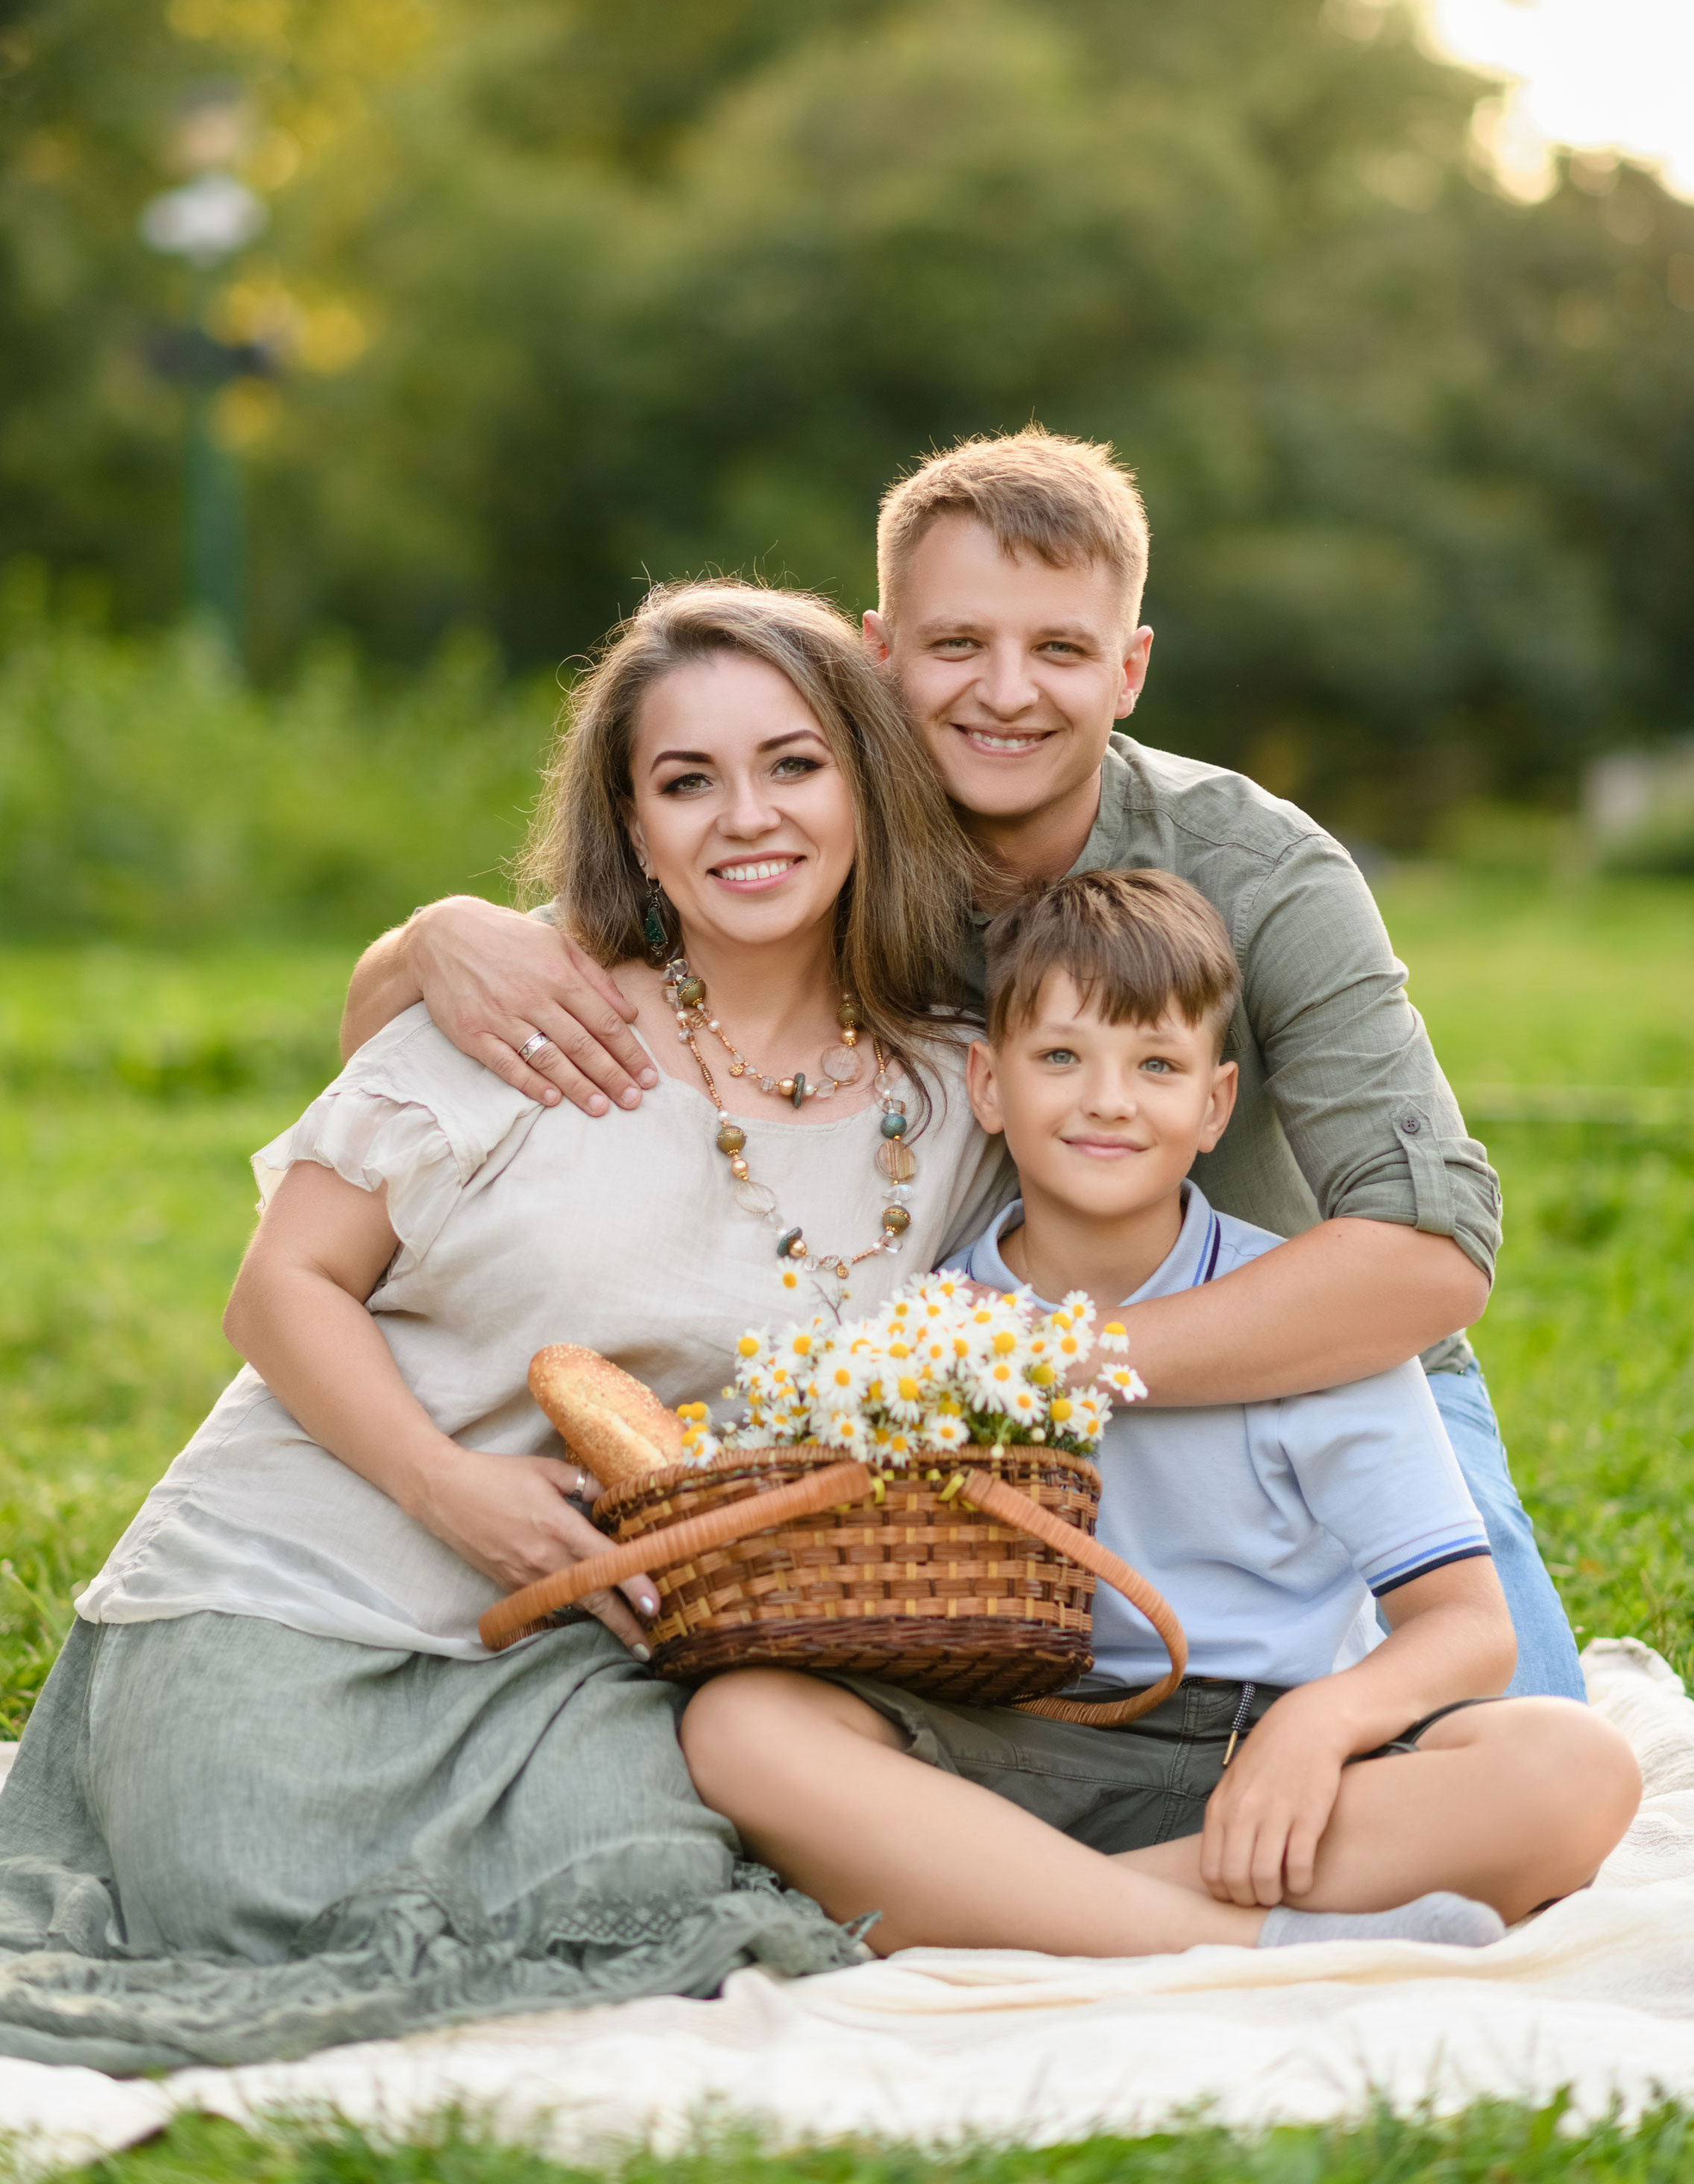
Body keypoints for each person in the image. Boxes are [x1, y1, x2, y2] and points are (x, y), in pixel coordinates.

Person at [343, 429, 1584, 1700]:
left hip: (1298, 1383)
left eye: (1059, 648)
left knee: (1522, 1756)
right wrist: (426, 941)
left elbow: (1430, 1253)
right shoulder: (806, 833)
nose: (1006, 693)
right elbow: (557, 973)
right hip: (961, 1441)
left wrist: (1057, 1362)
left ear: (1131, 667)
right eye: (956, 645)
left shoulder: (1263, 874)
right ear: (879, 654)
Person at [0, 583, 1013, 2074]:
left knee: (641, 1892)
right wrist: (447, 1484)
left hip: (586, 1650)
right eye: (686, 780)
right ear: (631, 820)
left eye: (792, 764)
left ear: (868, 778)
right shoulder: (525, 1004)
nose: (747, 818)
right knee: (248, 1897)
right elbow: (278, 1290)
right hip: (294, 1596)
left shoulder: (950, 1091)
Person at [679, 870, 1639, 1959]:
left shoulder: (1295, 1320)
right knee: (740, 1722)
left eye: (1156, 1066)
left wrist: (1322, 1729)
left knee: (1576, 1769)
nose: (1108, 1100)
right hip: (1019, 1734)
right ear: (988, 1086)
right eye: (1060, 1058)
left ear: (1213, 1104)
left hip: (1257, 1760)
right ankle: (1238, 1940)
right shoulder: (932, 1324)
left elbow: (1468, 1626)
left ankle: (1000, 1904)